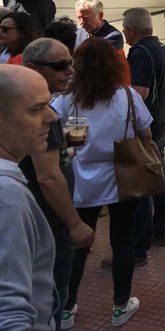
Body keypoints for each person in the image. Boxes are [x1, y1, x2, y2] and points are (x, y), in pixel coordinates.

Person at [52, 38, 153, 328]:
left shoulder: (67, 100)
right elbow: (146, 135)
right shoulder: (128, 96)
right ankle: (120, 306)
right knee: (122, 241)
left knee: (78, 245)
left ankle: (67, 308)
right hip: (124, 179)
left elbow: (62, 140)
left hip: (81, 183)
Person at [20, 38, 96, 331]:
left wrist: (63, 144)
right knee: (51, 298)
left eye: (71, 63)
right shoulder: (39, 114)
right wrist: (75, 224)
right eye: (61, 65)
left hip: (37, 222)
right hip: (48, 226)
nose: (70, 71)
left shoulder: (34, 109)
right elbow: (47, 177)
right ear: (33, 68)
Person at [122, 7, 165, 260]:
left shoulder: (139, 53)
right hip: (160, 123)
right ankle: (160, 230)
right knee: (158, 175)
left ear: (131, 30)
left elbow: (140, 93)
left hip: (145, 126)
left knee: (142, 183)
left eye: (125, 30)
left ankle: (139, 247)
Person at [0, 65, 58, 330]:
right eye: (36, 109)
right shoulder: (7, 195)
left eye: (49, 104)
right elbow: (9, 312)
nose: (52, 117)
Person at [74, 0, 130, 84]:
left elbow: (97, 65)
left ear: (100, 15)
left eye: (85, 18)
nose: (81, 22)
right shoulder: (77, 33)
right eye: (79, 18)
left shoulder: (113, 36)